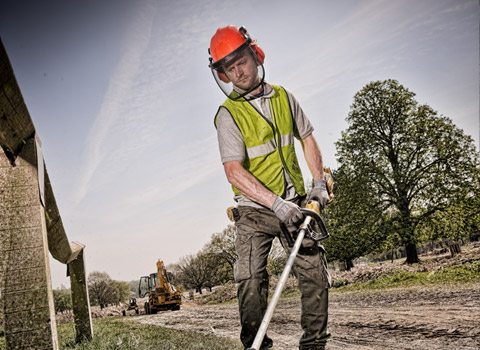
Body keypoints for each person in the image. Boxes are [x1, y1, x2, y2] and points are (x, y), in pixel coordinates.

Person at [208, 25, 331, 350]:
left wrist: (318, 182)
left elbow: (308, 139)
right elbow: (234, 172)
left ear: (255, 55)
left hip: (297, 202)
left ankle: (315, 344)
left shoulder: (284, 97)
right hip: (254, 211)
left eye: (241, 61)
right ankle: (255, 345)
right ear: (222, 74)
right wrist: (275, 204)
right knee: (249, 278)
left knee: (314, 274)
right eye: (229, 67)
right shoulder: (228, 115)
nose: (238, 71)